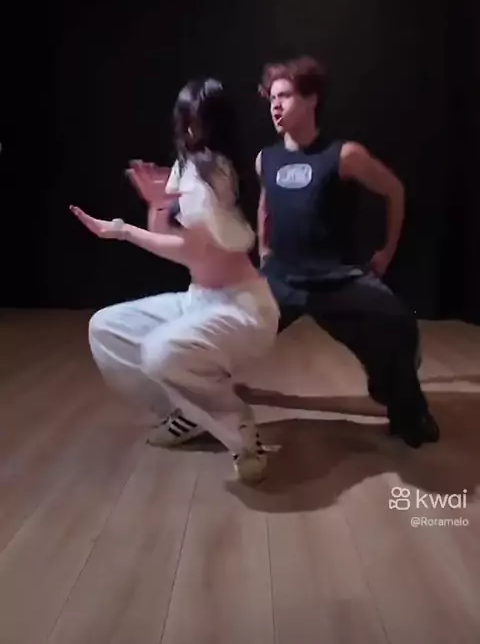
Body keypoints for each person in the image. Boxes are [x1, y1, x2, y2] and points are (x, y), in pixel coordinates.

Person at [70, 78, 279, 484]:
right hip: (199, 299)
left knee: (161, 351)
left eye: (197, 120)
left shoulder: (214, 172)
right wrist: (157, 205)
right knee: (107, 328)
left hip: (243, 309)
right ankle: (188, 413)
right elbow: (170, 234)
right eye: (185, 118)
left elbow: (188, 251)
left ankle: (241, 433)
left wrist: (123, 231)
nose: (188, 128)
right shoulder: (189, 167)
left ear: (215, 124)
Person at [256, 56, 439, 448]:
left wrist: (387, 250)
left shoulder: (344, 155)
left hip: (334, 279)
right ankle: (194, 405)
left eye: (285, 96)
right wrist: (264, 250)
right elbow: (266, 204)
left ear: (312, 99)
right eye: (272, 98)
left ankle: (408, 411)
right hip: (281, 279)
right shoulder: (265, 159)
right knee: (221, 329)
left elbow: (394, 190)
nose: (275, 105)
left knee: (398, 324)